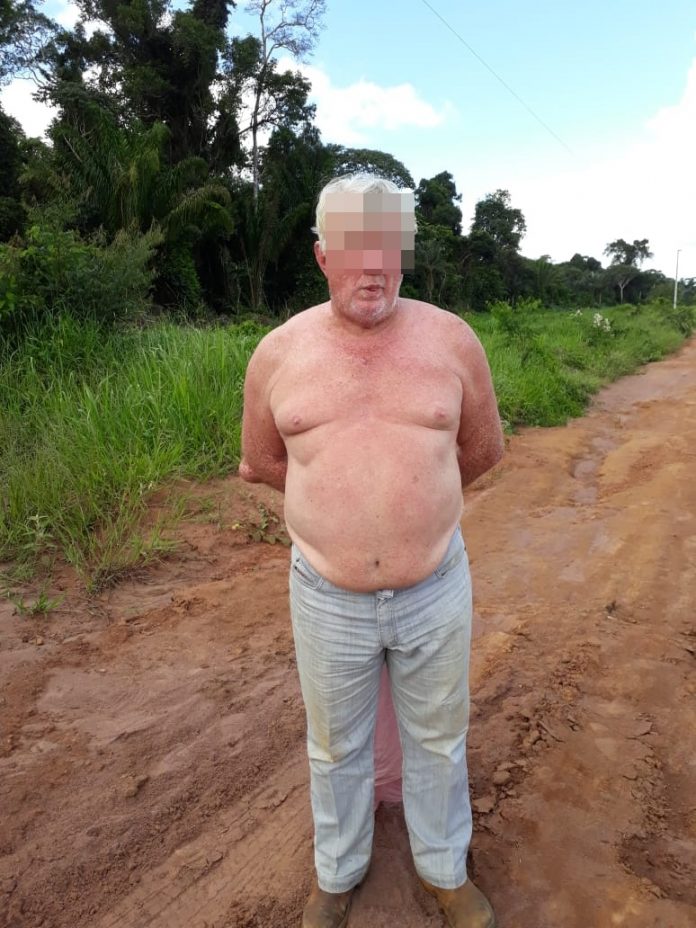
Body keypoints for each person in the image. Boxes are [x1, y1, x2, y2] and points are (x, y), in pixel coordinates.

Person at [240, 173, 504, 928]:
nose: (375, 268)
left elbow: (482, 451)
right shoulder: (277, 354)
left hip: (435, 588)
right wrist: (342, 523)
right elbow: (263, 462)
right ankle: (338, 873)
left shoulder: (452, 341)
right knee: (334, 748)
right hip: (326, 596)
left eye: (388, 248)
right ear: (323, 256)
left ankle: (444, 870)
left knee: (438, 739)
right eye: (356, 250)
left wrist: (413, 519)